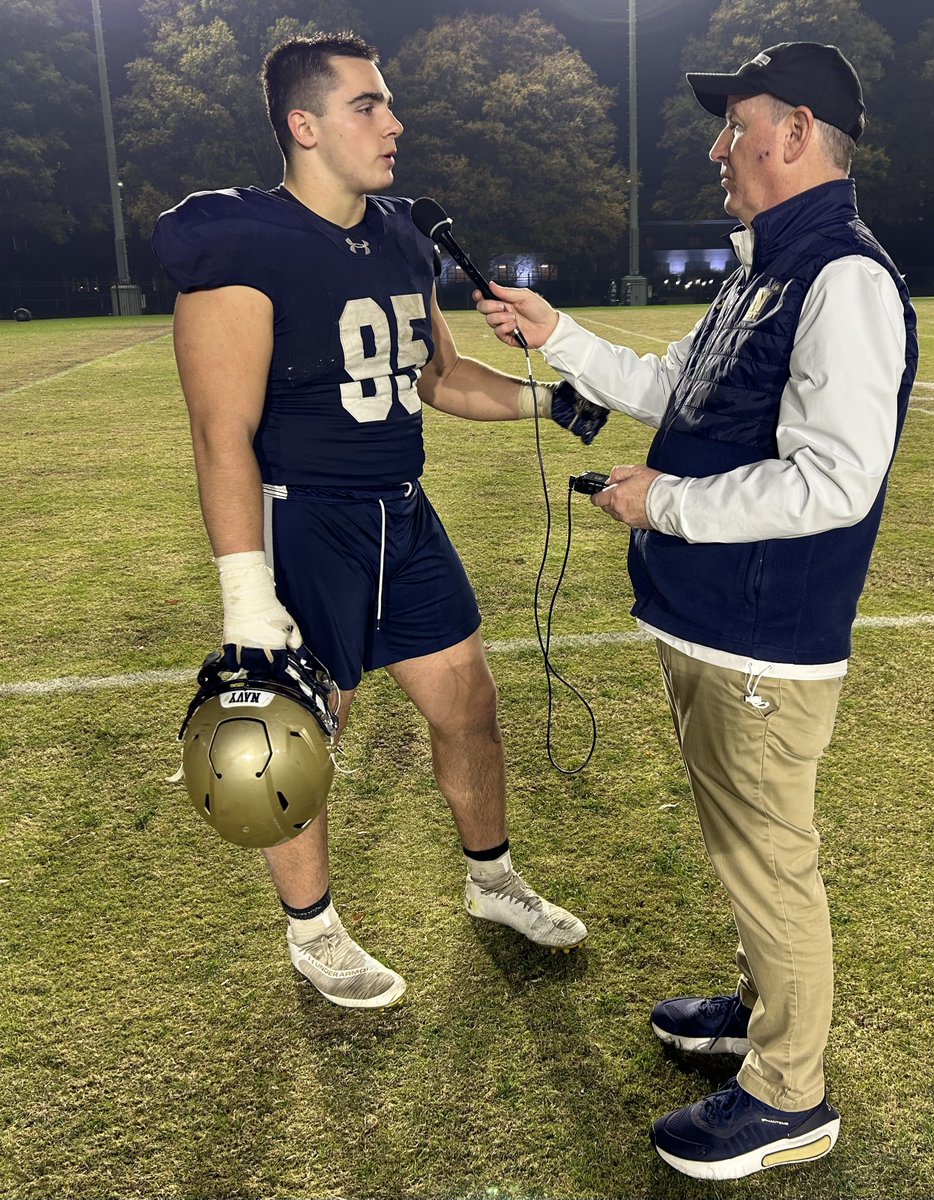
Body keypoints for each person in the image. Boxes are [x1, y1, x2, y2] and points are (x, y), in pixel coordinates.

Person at [477, 41, 918, 1181]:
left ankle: (787, 1095)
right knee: (744, 852)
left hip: (763, 639)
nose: (718, 147)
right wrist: (556, 335)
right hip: (716, 622)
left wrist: (662, 502)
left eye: (736, 124)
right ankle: (762, 1010)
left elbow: (835, 481)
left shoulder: (842, 278)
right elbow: (679, 388)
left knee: (770, 863)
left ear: (796, 133)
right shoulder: (768, 266)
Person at [152, 32, 606, 1011]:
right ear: (304, 125)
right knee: (299, 736)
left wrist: (548, 400)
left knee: (469, 706)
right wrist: (245, 593)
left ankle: (491, 880)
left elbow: (439, 377)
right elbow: (220, 434)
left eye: (388, 103)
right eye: (367, 105)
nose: (393, 122)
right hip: (306, 520)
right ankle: (313, 932)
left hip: (405, 509)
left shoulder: (401, 235)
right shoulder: (245, 241)